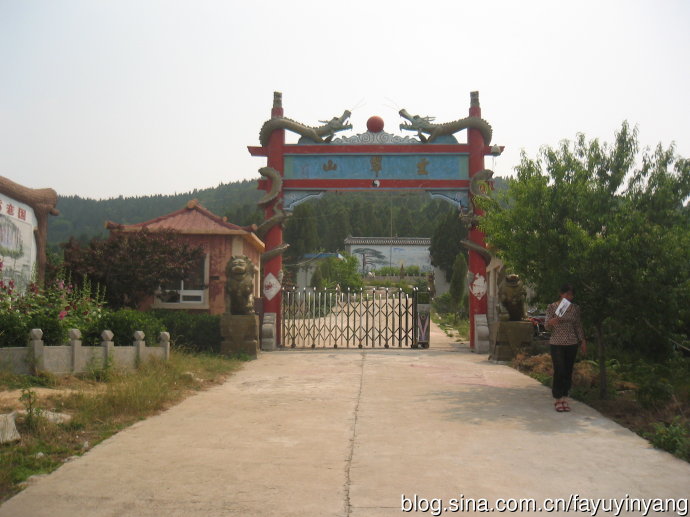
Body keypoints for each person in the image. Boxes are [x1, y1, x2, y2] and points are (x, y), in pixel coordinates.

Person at [544, 284, 587, 412]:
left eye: (571, 294)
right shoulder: (552, 307)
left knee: (568, 371)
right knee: (559, 369)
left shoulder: (575, 308)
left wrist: (582, 341)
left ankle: (564, 398)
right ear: (561, 294)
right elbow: (546, 325)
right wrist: (551, 322)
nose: (569, 297)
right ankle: (557, 398)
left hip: (571, 342)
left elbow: (578, 325)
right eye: (566, 294)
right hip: (557, 342)